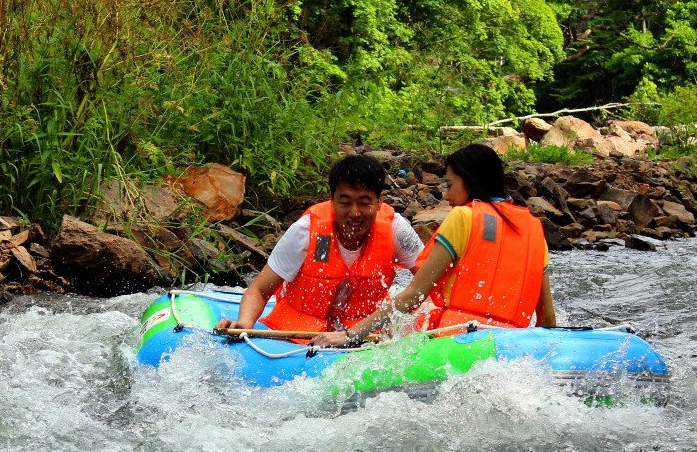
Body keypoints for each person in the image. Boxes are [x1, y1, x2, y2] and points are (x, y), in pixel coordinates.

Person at [312, 143, 556, 347]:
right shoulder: (534, 230)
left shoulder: (463, 217)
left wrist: (349, 335)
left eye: (450, 185)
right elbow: (547, 319)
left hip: (454, 344)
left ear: (469, 182)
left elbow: (413, 296)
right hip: (511, 347)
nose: (447, 197)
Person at [215, 155, 424, 334]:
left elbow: (431, 282)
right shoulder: (305, 229)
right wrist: (244, 324)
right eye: (345, 202)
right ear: (331, 199)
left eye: (364, 202)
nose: (354, 213)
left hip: (364, 333)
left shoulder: (397, 229)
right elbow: (260, 290)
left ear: (379, 201)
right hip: (297, 335)